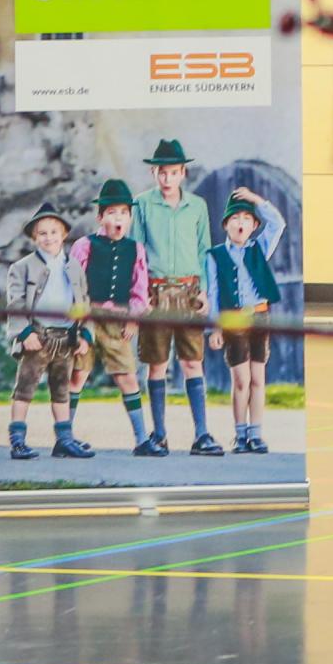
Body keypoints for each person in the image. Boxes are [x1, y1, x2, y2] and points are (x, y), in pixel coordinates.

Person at [134, 139, 220, 455]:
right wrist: (140, 294)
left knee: (192, 362)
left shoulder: (196, 206)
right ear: (153, 173)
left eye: (173, 172)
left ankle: (202, 434)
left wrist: (204, 291)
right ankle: (159, 434)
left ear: (183, 173)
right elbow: (137, 252)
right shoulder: (142, 204)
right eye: (161, 172)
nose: (167, 178)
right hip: (155, 291)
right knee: (156, 364)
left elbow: (204, 250)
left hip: (188, 290)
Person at [202, 186, 288, 454]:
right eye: (235, 219)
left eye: (247, 219)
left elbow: (278, 224)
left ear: (254, 226)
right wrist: (214, 328)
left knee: (258, 378)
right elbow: (213, 291)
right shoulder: (215, 255)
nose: (241, 224)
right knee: (241, 379)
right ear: (226, 225)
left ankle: (256, 434)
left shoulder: (259, 248)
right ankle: (240, 434)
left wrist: (255, 200)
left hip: (260, 316)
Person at [0, 208, 86, 461]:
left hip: (66, 337)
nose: (49, 237)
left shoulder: (74, 267)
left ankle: (64, 440)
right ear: (34, 238)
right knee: (25, 389)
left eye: (54, 232)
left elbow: (83, 302)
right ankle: (17, 441)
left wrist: (84, 334)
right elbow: (16, 303)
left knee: (62, 390)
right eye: (42, 233)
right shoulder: (22, 267)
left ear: (64, 234)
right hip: (38, 336)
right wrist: (25, 333)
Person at [71, 177, 152, 457]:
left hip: (117, 320)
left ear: (130, 218)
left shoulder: (135, 249)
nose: (118, 218)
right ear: (100, 217)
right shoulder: (85, 245)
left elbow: (140, 289)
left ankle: (142, 439)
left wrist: (133, 318)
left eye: (123, 213)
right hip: (87, 317)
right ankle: (64, 436)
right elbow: (74, 285)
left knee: (127, 376)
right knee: (78, 374)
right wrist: (79, 324)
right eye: (112, 212)